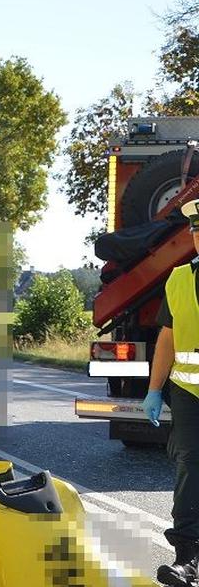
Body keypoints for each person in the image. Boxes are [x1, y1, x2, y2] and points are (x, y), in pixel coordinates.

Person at [146, 198, 199, 586]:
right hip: (188, 392)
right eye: (196, 230)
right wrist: (154, 389)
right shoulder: (179, 278)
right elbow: (167, 338)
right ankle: (188, 558)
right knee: (190, 468)